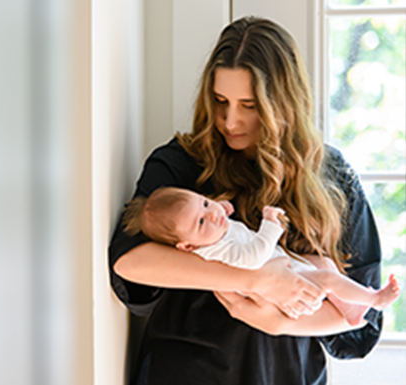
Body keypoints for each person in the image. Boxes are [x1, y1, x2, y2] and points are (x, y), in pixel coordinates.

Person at [109, 16, 386, 385]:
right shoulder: (182, 163)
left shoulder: (332, 176)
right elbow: (130, 262)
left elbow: (362, 323)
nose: (230, 120)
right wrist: (257, 280)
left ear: (283, 103)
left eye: (249, 105)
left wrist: (278, 321)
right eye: (221, 100)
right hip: (185, 372)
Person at [122, 186, 400, 327]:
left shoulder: (211, 234)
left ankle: (351, 311)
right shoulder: (216, 250)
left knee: (325, 267)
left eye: (205, 202)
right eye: (201, 222)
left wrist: (219, 209)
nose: (212, 214)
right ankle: (374, 299)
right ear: (187, 247)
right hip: (280, 278)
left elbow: (219, 217)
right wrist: (271, 224)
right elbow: (253, 257)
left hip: (285, 267)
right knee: (327, 277)